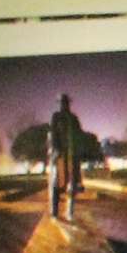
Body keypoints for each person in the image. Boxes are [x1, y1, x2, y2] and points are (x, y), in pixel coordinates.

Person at [48, 91, 85, 221]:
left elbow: (79, 135)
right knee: (56, 184)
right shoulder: (56, 117)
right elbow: (53, 134)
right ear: (59, 104)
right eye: (62, 102)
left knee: (73, 184)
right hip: (60, 155)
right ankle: (54, 212)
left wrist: (79, 150)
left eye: (66, 102)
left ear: (69, 103)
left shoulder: (74, 119)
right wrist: (56, 150)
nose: (64, 105)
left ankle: (69, 212)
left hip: (73, 156)